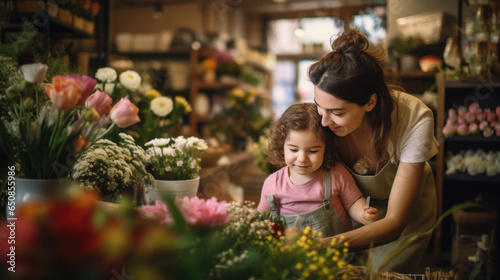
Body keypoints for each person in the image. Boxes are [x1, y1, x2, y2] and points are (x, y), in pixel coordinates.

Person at [306, 29, 439, 273]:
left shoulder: (413, 118)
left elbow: (394, 222)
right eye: (319, 106)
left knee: (381, 273)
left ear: (370, 102)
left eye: (337, 112)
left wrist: (325, 245)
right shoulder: (322, 117)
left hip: (404, 213)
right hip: (350, 206)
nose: (324, 122)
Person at [257, 102, 378, 238]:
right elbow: (262, 219)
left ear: (326, 148)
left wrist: (363, 214)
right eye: (293, 149)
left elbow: (352, 203)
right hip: (290, 256)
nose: (302, 158)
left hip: (334, 254)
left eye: (313, 151)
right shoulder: (272, 183)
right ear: (282, 146)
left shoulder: (336, 174)